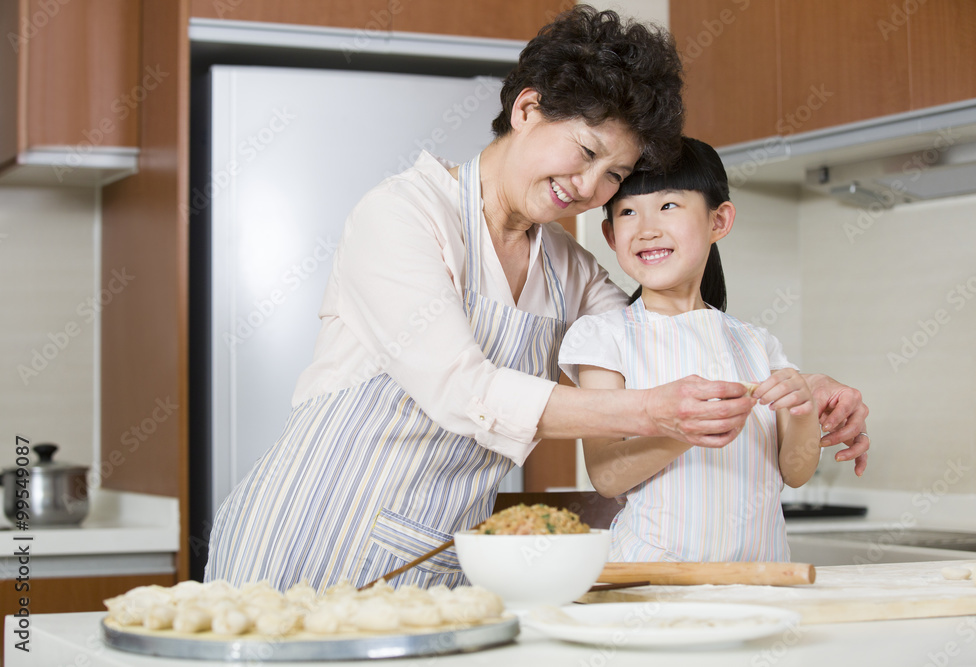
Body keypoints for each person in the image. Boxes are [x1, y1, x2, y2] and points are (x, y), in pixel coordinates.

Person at [205, 6, 869, 591]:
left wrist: (802, 389)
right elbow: (466, 391)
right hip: (304, 541)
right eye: (584, 152)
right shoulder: (407, 215)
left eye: (612, 175)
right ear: (526, 110)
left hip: (436, 560)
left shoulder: (566, 268)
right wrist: (646, 410)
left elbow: (663, 339)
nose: (588, 186)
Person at [558, 137, 858, 562]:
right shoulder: (605, 337)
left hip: (761, 583)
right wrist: (684, 432)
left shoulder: (757, 343)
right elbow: (608, 475)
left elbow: (796, 471)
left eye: (668, 206)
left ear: (719, 221)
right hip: (654, 583)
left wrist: (803, 408)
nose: (646, 228)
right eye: (627, 212)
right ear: (609, 233)